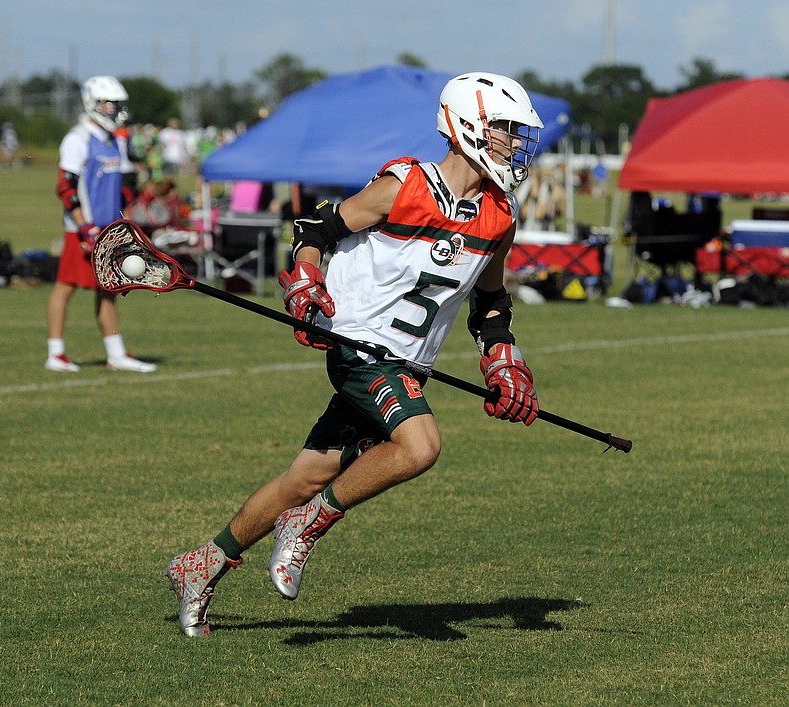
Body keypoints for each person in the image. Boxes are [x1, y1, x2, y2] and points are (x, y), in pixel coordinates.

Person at [165, 72, 543, 636]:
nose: (516, 146)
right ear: (469, 127)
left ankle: (201, 565)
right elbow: (315, 229)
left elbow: (489, 301)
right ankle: (308, 526)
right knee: (420, 447)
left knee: (305, 476)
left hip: (408, 363)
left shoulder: (499, 218)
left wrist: (503, 358)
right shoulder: (404, 187)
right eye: (506, 132)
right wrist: (305, 280)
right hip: (358, 347)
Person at [45, 76, 156, 373]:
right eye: (107, 103)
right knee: (65, 286)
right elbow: (66, 188)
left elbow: (122, 185)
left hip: (109, 229)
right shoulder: (77, 138)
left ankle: (116, 354)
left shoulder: (114, 140)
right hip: (83, 229)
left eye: (115, 104)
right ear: (92, 103)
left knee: (108, 288)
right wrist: (84, 227)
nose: (112, 109)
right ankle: (55, 353)